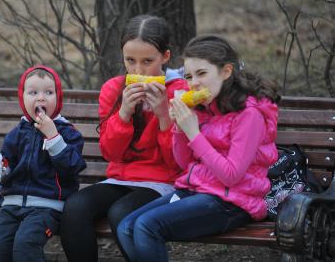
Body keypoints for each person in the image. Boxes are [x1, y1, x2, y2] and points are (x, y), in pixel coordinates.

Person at [116, 35, 279, 262]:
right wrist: (180, 129)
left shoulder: (249, 115)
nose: (194, 83)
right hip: (197, 191)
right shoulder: (205, 107)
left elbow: (231, 176)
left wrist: (194, 132)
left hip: (233, 202)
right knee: (126, 227)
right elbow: (185, 164)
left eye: (202, 73)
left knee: (146, 226)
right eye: (189, 76)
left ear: (226, 71)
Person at [60, 14, 188, 262]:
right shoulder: (112, 89)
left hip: (164, 181)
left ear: (166, 57)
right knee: (75, 207)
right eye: (130, 61)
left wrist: (163, 114)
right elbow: (111, 153)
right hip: (120, 177)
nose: (138, 70)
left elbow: (177, 163)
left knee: (122, 214)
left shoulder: (179, 91)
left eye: (147, 61)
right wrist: (124, 113)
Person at [0, 65, 86, 262]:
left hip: (47, 207)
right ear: (22, 99)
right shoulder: (16, 134)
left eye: (48, 92)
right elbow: (6, 168)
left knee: (25, 244)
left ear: (58, 98)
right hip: (11, 205)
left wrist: (53, 137)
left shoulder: (67, 133)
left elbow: (72, 169)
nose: (41, 98)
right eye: (33, 92)